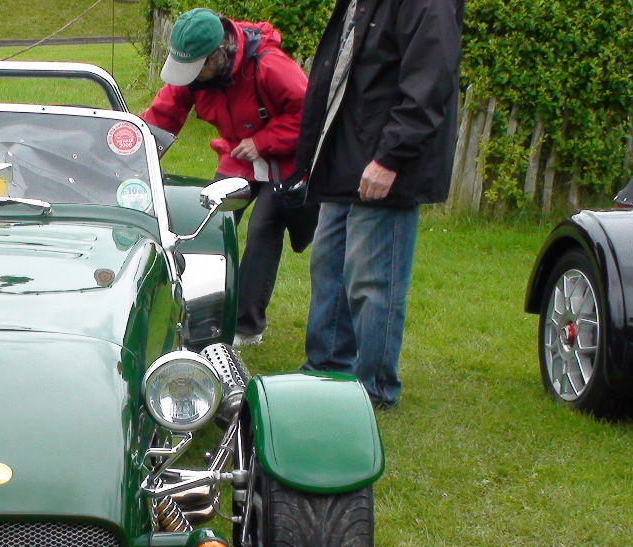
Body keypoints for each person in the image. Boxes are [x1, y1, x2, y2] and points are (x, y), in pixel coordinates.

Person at [296, 0, 464, 409]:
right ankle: (326, 370)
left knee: (373, 282)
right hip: (346, 154)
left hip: (384, 162)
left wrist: (391, 157)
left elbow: (430, 83)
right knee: (329, 269)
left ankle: (373, 389)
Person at [142, 7, 308, 346]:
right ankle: (193, 311)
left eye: (197, 67)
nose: (190, 75)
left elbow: (309, 114)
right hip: (238, 158)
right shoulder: (194, 75)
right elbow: (162, 117)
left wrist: (263, 141)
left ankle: (247, 327)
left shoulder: (270, 66)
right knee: (211, 225)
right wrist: (136, 154)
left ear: (219, 54)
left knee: (264, 231)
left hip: (284, 162)